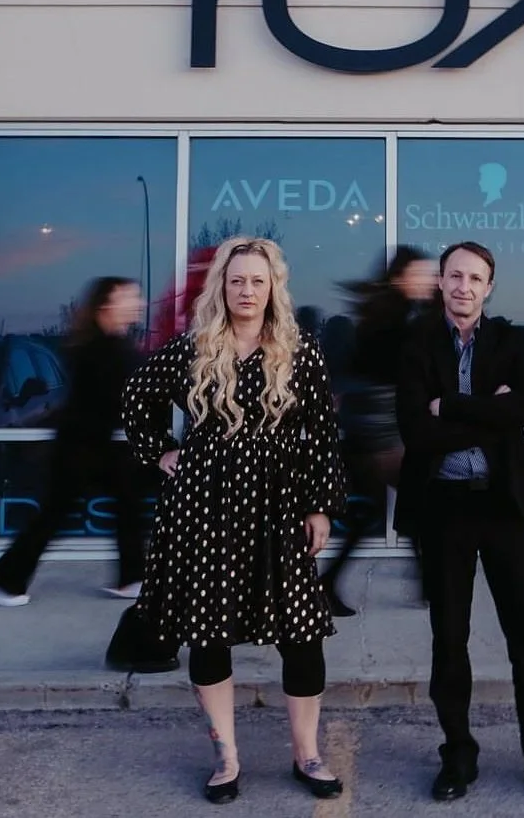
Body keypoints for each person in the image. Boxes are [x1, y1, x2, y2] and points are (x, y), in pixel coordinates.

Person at [120, 237, 348, 805]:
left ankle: (307, 754)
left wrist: (320, 505)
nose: (247, 290)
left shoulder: (301, 352)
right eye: (237, 280)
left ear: (274, 289)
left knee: (301, 636)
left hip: (278, 508)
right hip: (204, 510)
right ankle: (226, 757)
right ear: (222, 286)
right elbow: (135, 397)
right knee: (208, 633)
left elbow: (321, 435)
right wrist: (161, 453)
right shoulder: (195, 348)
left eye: (258, 281)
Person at [396, 241, 524, 805]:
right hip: (444, 508)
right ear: (440, 283)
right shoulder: (415, 344)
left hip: (503, 508)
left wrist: (451, 406)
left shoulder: (509, 340)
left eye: (475, 278)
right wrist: (489, 409)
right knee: (449, 640)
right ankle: (457, 757)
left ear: (489, 287)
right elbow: (417, 432)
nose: (463, 286)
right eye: (454, 275)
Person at [0, 277, 147, 606]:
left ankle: (131, 578)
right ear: (106, 305)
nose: (138, 303)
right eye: (130, 296)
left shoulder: (109, 343)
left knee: (128, 506)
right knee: (53, 516)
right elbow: (122, 391)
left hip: (98, 446)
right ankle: (1, 581)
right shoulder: (98, 347)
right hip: (79, 449)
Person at [320, 246, 439, 618]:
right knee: (420, 501)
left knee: (384, 511)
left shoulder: (387, 311)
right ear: (402, 276)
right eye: (422, 274)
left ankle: (427, 584)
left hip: (371, 430)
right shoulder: (394, 316)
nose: (430, 281)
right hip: (379, 433)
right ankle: (430, 585)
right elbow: (398, 369)